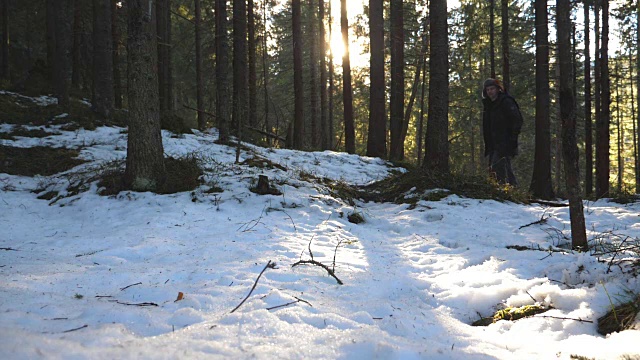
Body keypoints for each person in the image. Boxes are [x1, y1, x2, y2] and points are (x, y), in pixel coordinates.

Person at [482, 78, 523, 185]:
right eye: (488, 90)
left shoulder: (506, 102)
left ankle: (503, 191)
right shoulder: (488, 105)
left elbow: (517, 120)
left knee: (497, 166)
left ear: (497, 89)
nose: (490, 92)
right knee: (501, 167)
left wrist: (513, 138)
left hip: (505, 141)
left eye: (492, 89)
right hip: (493, 143)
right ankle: (512, 191)